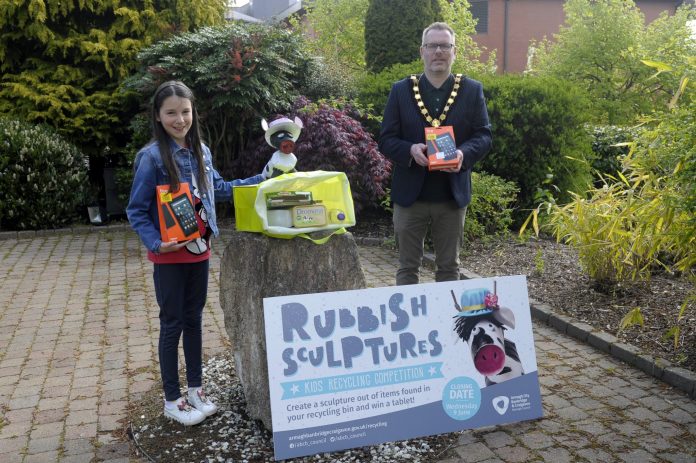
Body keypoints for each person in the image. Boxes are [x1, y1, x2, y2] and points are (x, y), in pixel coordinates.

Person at [127, 81, 277, 425]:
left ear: (193, 112)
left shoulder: (202, 152)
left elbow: (220, 190)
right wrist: (156, 242)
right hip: (169, 255)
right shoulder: (151, 157)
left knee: (194, 320)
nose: (180, 119)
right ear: (158, 115)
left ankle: (196, 389)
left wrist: (264, 176)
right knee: (172, 323)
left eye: (185, 111)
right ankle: (171, 399)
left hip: (201, 250)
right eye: (171, 113)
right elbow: (136, 210)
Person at [378, 22, 492, 285]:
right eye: (432, 46)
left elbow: (483, 135)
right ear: (422, 51)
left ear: (454, 51)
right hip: (410, 197)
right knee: (407, 269)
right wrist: (409, 149)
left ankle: (448, 325)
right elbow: (385, 139)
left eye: (445, 46)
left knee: (449, 269)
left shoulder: (472, 90)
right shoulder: (401, 90)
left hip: (451, 198)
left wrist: (463, 154)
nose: (438, 51)